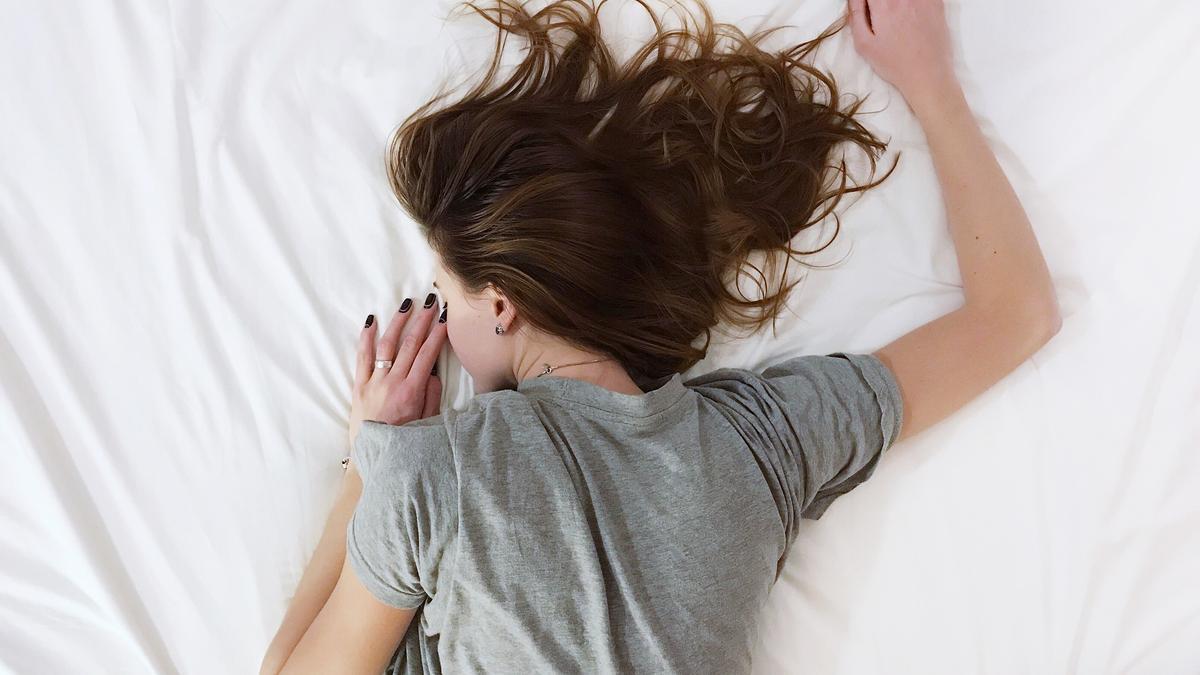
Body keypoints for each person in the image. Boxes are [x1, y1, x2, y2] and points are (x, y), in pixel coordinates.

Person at [262, 0, 1061, 672]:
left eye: (446, 294)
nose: (442, 315)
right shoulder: (762, 442)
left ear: (501, 305)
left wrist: (370, 456)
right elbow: (1016, 314)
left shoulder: (432, 473)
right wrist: (931, 83)